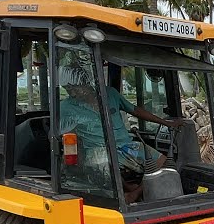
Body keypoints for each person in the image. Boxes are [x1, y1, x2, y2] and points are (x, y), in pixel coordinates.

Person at [58, 81, 191, 201]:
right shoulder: (66, 107)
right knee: (103, 163)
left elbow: (135, 110)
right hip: (97, 150)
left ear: (87, 83)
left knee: (165, 164)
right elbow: (58, 134)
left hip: (126, 146)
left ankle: (135, 193)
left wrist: (165, 122)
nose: (73, 94)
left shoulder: (110, 94)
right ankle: (126, 189)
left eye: (75, 88)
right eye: (69, 90)